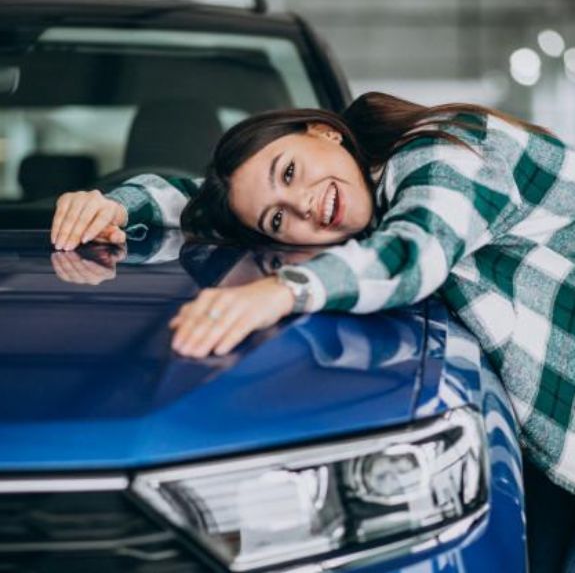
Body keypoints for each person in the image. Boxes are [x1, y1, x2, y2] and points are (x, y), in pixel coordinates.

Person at [50, 91, 575, 570]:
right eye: (277, 222)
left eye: (289, 172)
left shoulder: (444, 148)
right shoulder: (363, 194)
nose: (301, 205)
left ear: (324, 131)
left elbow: (418, 252)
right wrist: (115, 205)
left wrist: (279, 291)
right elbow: (195, 199)